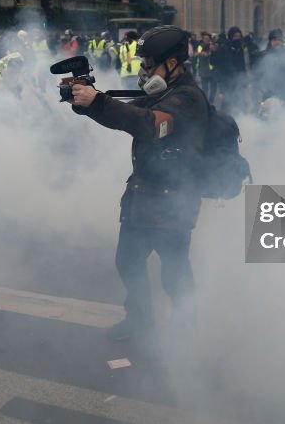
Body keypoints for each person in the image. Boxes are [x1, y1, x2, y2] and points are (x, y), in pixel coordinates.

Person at [70, 26, 208, 343]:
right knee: (128, 261)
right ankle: (140, 324)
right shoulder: (163, 93)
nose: (144, 70)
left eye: (149, 63)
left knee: (174, 273)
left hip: (173, 201)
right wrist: (87, 103)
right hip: (144, 197)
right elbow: (129, 114)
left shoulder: (186, 99)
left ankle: (186, 334)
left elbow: (148, 125)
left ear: (172, 64)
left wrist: (97, 102)